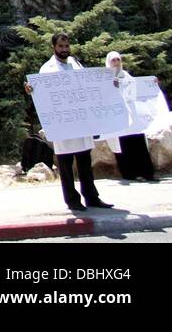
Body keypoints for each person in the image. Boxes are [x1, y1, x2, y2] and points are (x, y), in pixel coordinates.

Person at [24, 34, 114, 212]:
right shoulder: (47, 69)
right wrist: (31, 90)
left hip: (81, 122)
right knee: (65, 165)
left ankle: (92, 197)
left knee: (84, 162)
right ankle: (72, 200)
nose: (65, 49)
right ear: (54, 47)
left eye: (66, 46)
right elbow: (42, 94)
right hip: (63, 124)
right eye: (61, 46)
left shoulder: (76, 64)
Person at [102, 52, 157, 182]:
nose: (116, 62)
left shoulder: (128, 77)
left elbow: (140, 90)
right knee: (123, 146)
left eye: (118, 59)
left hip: (134, 120)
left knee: (138, 144)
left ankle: (147, 173)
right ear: (108, 63)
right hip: (118, 119)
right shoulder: (105, 78)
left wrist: (152, 84)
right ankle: (130, 174)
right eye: (113, 60)